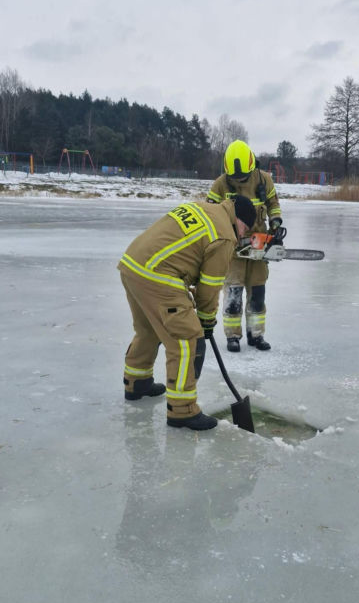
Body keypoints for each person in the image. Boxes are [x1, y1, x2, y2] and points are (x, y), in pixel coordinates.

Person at [119, 194, 257, 431]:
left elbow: (185, 253)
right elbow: (211, 286)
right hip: (158, 275)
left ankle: (136, 381)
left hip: (133, 265)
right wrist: (205, 320)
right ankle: (182, 411)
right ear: (240, 220)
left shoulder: (204, 209)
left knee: (148, 329)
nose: (242, 236)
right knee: (185, 339)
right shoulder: (224, 235)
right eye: (245, 230)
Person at [207, 140, 283, 352]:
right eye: (235, 177)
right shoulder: (221, 184)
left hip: (259, 244)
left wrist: (276, 223)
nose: (239, 180)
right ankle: (233, 336)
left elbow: (273, 204)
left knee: (258, 293)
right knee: (233, 293)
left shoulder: (264, 179)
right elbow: (211, 212)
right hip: (233, 249)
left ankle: (256, 334)